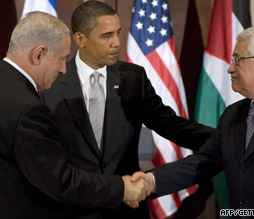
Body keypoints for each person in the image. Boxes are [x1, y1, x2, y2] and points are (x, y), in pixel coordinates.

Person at [42, 0, 214, 218]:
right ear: (80, 39)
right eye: (106, 36)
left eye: (118, 33)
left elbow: (174, 127)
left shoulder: (133, 79)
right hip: (72, 210)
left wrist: (229, 138)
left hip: (126, 210)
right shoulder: (52, 83)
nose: (116, 43)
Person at [0, 11, 149, 218]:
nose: (63, 69)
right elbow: (60, 181)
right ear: (39, 54)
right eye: (62, 59)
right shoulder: (29, 109)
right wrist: (121, 187)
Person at [134, 26, 254, 215]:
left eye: (237, 60)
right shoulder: (233, 115)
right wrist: (151, 181)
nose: (230, 68)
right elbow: (203, 162)